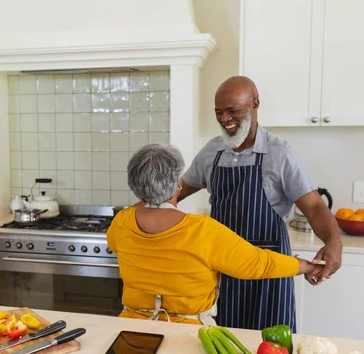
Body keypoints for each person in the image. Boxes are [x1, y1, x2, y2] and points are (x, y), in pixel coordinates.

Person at [178, 76, 342, 331]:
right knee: (223, 348)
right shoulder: (212, 151)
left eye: (233, 111)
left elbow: (314, 207)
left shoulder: (281, 154)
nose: (224, 119)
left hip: (270, 269)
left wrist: (334, 242)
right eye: (219, 113)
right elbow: (179, 190)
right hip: (223, 268)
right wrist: (147, 205)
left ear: (255, 105)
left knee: (272, 347)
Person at [106, 143, 324, 325]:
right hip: (187, 335)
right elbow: (259, 263)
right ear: (177, 185)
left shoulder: (122, 222)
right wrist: (306, 266)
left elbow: (115, 244)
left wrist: (146, 196)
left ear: (135, 186)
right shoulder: (202, 230)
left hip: (131, 329)